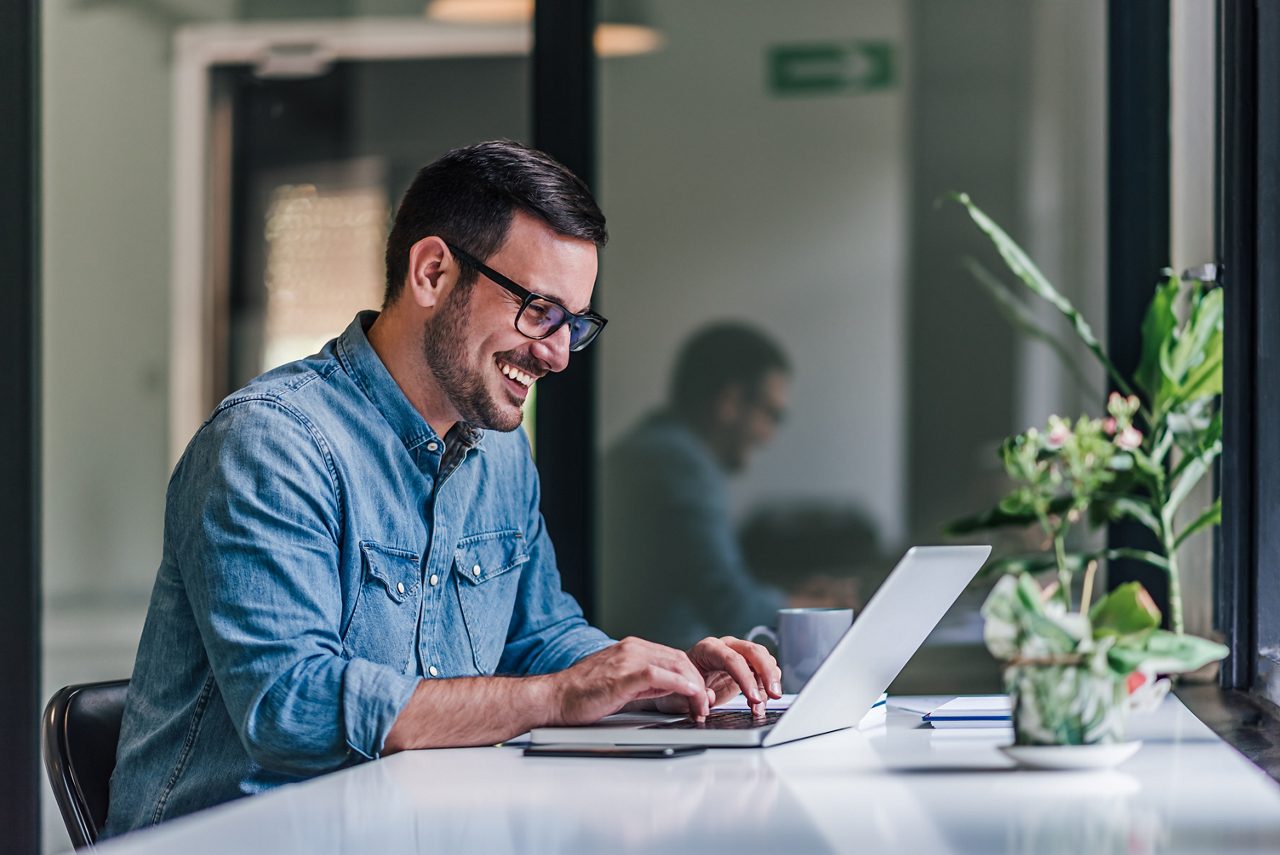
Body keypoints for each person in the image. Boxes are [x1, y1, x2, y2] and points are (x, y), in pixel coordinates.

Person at [104, 141, 780, 837]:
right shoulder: (272, 445)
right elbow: (290, 707)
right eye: (539, 309)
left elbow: (537, 636)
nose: (554, 353)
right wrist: (557, 696)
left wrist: (655, 684)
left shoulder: (501, 451)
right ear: (432, 271)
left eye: (573, 325)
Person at [602, 323, 796, 649]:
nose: (769, 435)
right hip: (656, 672)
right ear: (730, 403)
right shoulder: (681, 465)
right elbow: (732, 608)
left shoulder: (652, 447)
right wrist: (809, 607)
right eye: (771, 415)